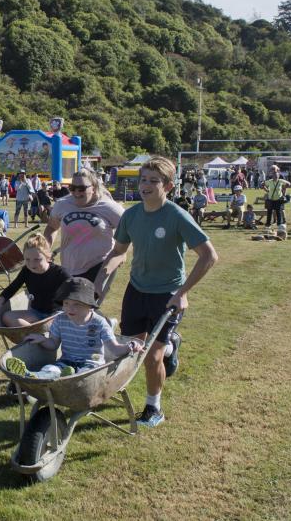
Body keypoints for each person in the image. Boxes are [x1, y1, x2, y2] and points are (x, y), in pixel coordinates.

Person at [101, 156, 218, 428]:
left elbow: (209, 256)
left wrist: (183, 292)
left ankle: (154, 408)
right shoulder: (130, 215)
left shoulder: (176, 215)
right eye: (143, 179)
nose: (146, 185)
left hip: (167, 295)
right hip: (136, 291)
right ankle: (170, 347)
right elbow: (118, 252)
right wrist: (100, 278)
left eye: (153, 181)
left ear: (167, 186)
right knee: (133, 350)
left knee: (151, 357)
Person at [4, 277, 142, 379]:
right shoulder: (60, 319)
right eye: (66, 303)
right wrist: (41, 339)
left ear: (89, 306)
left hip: (91, 365)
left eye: (76, 304)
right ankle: (33, 376)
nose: (70, 308)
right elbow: (53, 344)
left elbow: (114, 348)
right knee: (51, 369)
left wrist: (130, 346)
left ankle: (70, 376)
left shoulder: (99, 323)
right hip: (67, 361)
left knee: (83, 375)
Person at [44, 169, 125, 293]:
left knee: (83, 306)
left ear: (93, 187)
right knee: (67, 306)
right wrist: (45, 249)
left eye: (81, 188)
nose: (76, 192)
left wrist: (120, 254)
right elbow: (51, 227)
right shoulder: (62, 204)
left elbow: (129, 232)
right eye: (72, 187)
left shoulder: (109, 207)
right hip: (69, 266)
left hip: (98, 266)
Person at [0, 235, 71, 328]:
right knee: (6, 316)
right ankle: (37, 336)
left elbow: (76, 289)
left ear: (47, 257)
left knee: (58, 322)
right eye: (27, 260)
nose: (32, 265)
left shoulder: (60, 273)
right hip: (35, 313)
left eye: (37, 259)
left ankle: (36, 336)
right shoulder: (27, 271)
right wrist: (0, 300)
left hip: (56, 314)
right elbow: (13, 287)